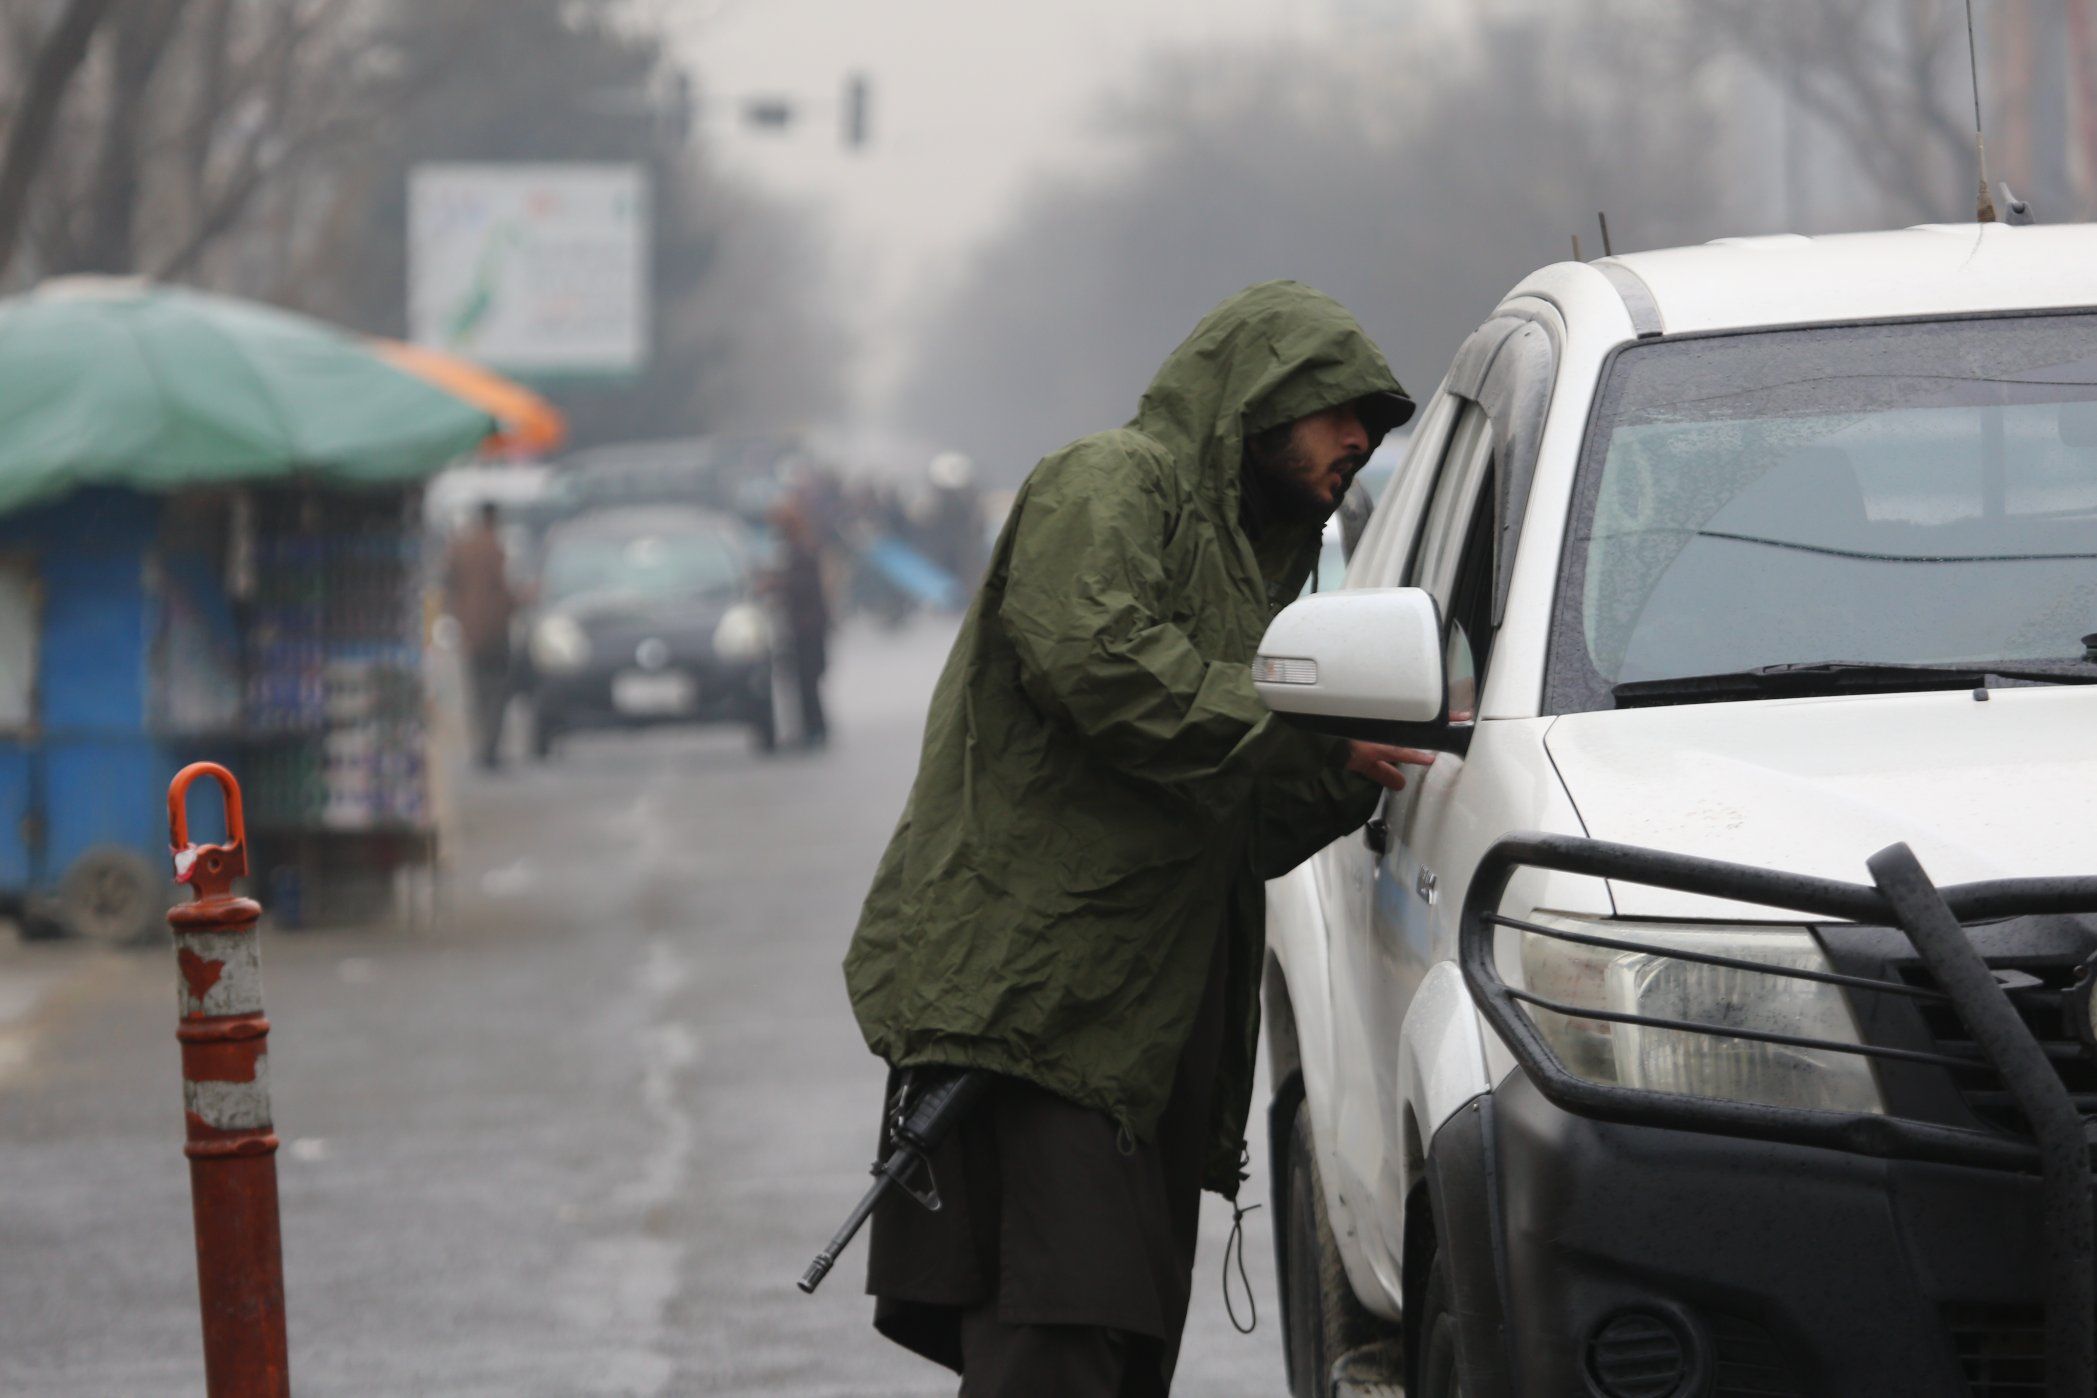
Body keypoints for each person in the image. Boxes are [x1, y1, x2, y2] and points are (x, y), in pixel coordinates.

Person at [842, 281, 1433, 1396]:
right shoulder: (1113, 479)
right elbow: (1097, 663)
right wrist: (1289, 722)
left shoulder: (1254, 572)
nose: (1360, 437)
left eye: (1375, 421)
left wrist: (1352, 770)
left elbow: (1223, 821)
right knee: (1055, 1345)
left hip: (1142, 1032)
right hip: (1038, 1008)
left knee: (1115, 1345)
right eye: (1338, 408)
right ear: (1263, 397)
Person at [443, 501, 518, 770]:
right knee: (496, 692)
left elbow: (449, 586)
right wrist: (522, 600)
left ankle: (481, 747)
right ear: (494, 519)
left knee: (477, 692)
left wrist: (459, 616)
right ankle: (491, 747)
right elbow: (505, 590)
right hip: (496, 631)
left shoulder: (462, 548)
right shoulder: (497, 549)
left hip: (471, 632)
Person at [769, 494, 832, 748]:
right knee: (803, 682)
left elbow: (804, 586)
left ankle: (816, 729)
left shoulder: (803, 550)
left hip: (809, 627)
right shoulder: (796, 550)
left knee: (809, 681)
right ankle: (810, 728)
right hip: (802, 626)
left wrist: (777, 584)